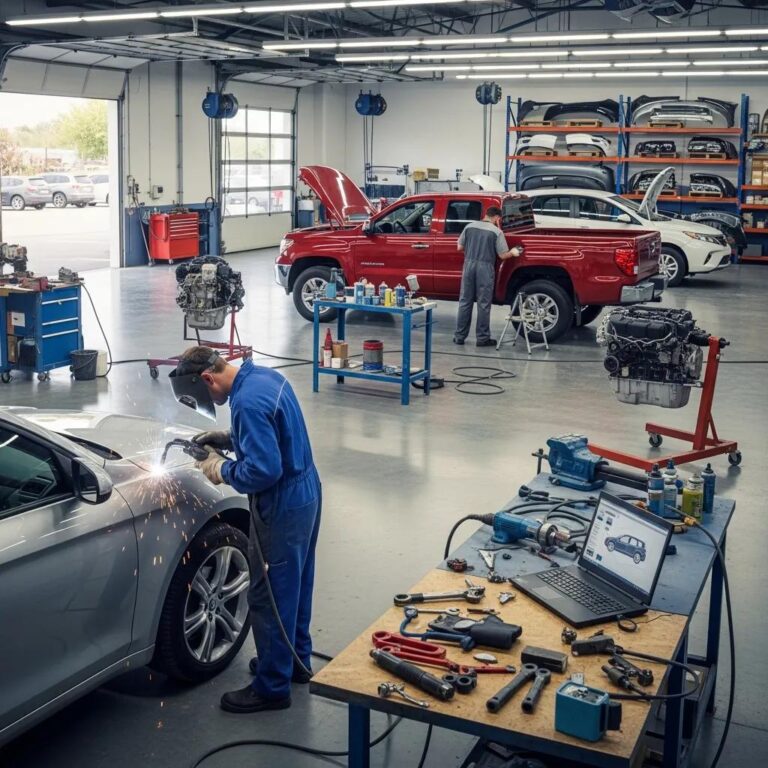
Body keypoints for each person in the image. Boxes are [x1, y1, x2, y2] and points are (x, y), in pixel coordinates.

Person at [170, 346, 321, 714]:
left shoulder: (246, 405)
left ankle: (272, 687)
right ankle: (295, 662)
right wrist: (230, 438)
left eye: (207, 396)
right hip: (306, 490)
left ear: (208, 379)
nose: (214, 402)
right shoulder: (263, 378)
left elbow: (263, 471)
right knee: (295, 584)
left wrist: (219, 468)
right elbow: (273, 435)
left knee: (268, 596)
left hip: (281, 503)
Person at [454, 205, 519, 347]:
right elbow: (502, 255)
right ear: (497, 218)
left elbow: (459, 247)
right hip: (485, 267)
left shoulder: (469, 227)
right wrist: (513, 252)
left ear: (485, 214)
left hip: (469, 265)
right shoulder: (497, 232)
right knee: (483, 304)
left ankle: (459, 337)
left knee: (465, 301)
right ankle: (482, 339)